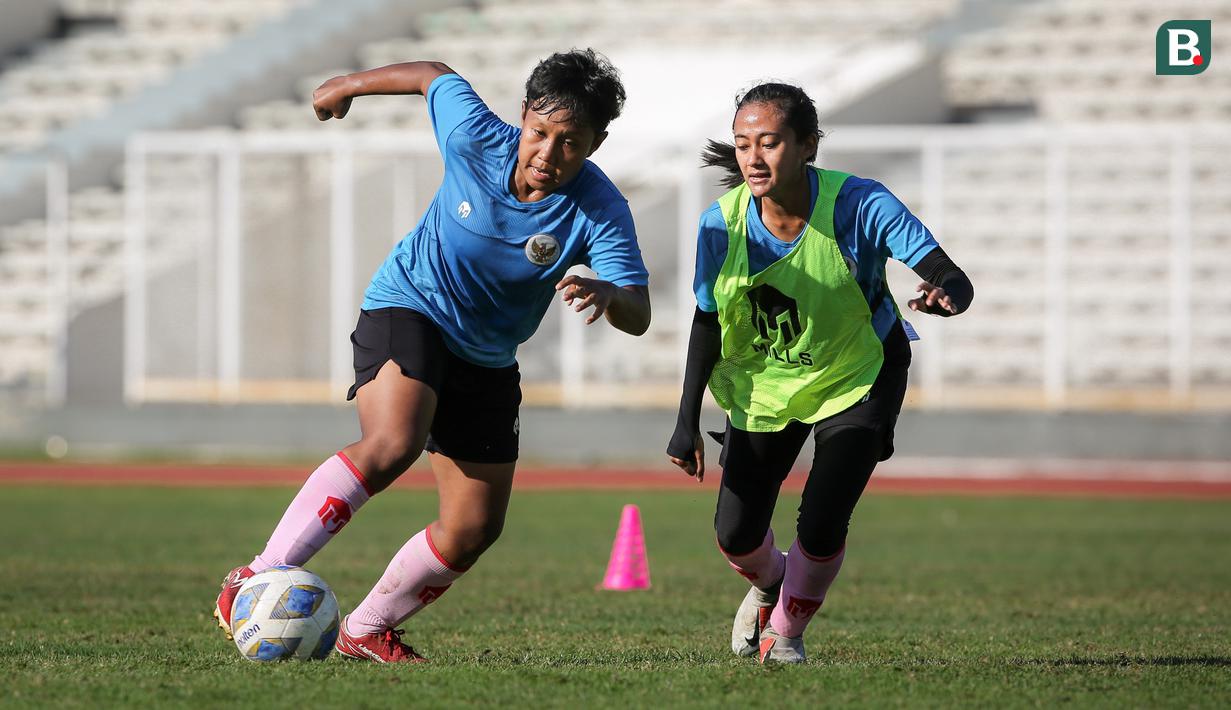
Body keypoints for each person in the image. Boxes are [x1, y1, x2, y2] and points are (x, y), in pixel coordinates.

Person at [213, 49, 651, 663]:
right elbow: (432, 76)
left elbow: (640, 312)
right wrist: (347, 85)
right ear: (522, 116)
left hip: (488, 355)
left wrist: (610, 294)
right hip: (410, 305)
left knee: (474, 527)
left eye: (571, 143)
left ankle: (363, 629)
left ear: (597, 143)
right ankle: (255, 575)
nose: (548, 155)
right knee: (395, 441)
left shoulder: (600, 210)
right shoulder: (476, 135)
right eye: (540, 133)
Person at [665, 83, 972, 664]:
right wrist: (686, 421)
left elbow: (950, 274)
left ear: (807, 146)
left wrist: (945, 292)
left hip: (860, 374)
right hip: (767, 383)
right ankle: (770, 583)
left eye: (770, 142)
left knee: (824, 513)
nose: (753, 158)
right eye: (742, 144)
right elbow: (706, 323)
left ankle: (786, 634)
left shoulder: (861, 204)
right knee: (735, 534)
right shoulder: (720, 225)